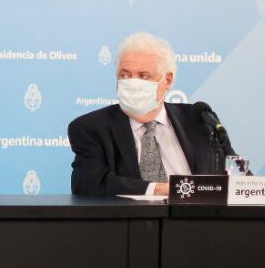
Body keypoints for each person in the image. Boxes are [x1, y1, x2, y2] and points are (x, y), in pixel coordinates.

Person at [68, 31, 235, 197]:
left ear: (167, 80)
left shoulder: (200, 120)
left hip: (198, 213)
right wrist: (159, 189)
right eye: (125, 75)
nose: (132, 83)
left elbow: (238, 178)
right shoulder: (91, 128)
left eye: (144, 76)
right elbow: (88, 184)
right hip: (132, 214)